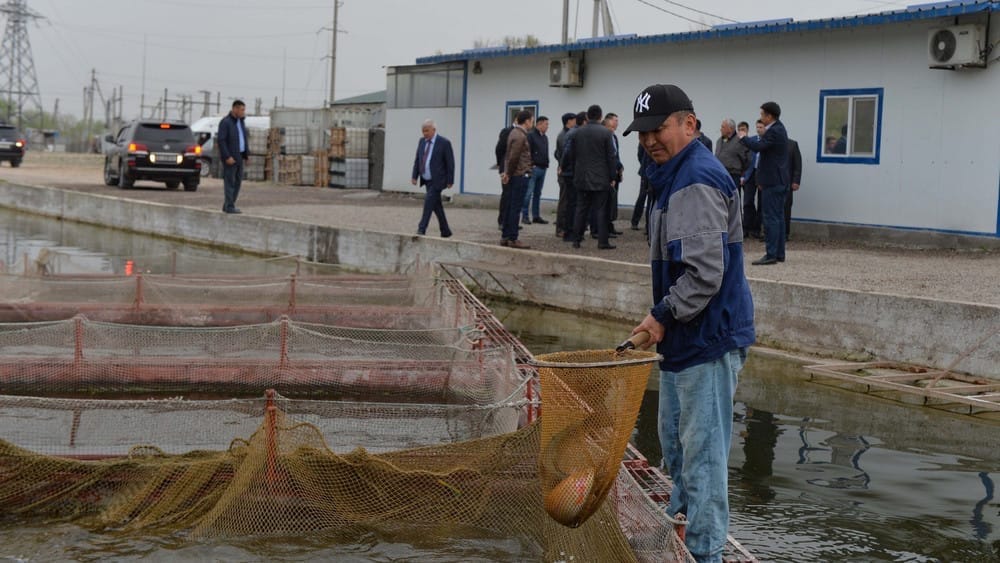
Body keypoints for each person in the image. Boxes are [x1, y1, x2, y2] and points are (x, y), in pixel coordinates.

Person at [623, 83, 755, 563]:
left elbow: (703, 274)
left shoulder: (695, 177)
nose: (650, 141)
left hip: (709, 338)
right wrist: (664, 322)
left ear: (689, 125)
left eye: (658, 129)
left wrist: (659, 317)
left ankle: (705, 554)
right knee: (676, 444)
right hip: (684, 338)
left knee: (702, 458)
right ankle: (679, 528)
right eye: (642, 134)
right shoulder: (667, 176)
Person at [740, 101, 789, 265]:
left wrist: (743, 138)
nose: (761, 118)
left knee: (771, 218)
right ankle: (779, 253)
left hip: (773, 180)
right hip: (779, 179)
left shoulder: (774, 131)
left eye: (762, 115)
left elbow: (758, 146)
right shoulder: (779, 128)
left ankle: (771, 254)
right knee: (778, 217)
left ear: (769, 116)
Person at [564, 104, 617, 250]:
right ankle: (602, 242)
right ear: (600, 116)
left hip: (581, 177)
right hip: (601, 177)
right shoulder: (606, 133)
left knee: (581, 209)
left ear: (587, 116)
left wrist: (575, 173)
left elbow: (572, 156)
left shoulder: (577, 133)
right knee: (601, 210)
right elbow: (610, 157)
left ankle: (576, 240)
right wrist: (612, 176)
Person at [410, 119, 454, 238]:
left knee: (429, 202)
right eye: (423, 131)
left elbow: (450, 162)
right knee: (436, 205)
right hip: (427, 179)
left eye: (427, 131)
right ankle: (445, 230)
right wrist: (415, 176)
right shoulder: (422, 142)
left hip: (438, 179)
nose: (425, 133)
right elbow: (418, 159)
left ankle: (421, 229)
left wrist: (450, 180)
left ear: (434, 130)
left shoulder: (444, 143)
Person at [500, 110, 534, 249]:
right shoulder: (520, 135)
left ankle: (506, 235)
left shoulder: (514, 133)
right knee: (515, 207)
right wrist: (509, 173)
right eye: (531, 120)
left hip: (514, 174)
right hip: (519, 174)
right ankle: (513, 237)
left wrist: (508, 172)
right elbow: (514, 157)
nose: (532, 123)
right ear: (526, 121)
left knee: (510, 205)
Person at [217, 100, 249, 214]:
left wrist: (246, 155)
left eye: (244, 110)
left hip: (239, 156)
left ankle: (228, 205)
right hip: (230, 158)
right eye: (242, 110)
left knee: (237, 182)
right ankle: (230, 206)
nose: (243, 112)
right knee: (230, 182)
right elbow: (221, 141)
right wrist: (227, 157)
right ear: (235, 109)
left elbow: (243, 139)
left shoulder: (241, 122)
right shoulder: (226, 122)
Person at [739, 120, 765, 240]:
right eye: (757, 127)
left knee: (761, 203)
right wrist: (743, 175)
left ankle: (756, 229)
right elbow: (746, 159)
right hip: (751, 173)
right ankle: (746, 227)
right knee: (747, 201)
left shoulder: (768, 141)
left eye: (761, 127)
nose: (759, 129)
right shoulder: (752, 140)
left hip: (762, 175)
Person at [522, 116, 550, 225]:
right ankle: (524, 215)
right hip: (534, 168)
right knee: (528, 193)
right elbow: (527, 152)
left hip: (543, 168)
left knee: (538, 193)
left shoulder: (545, 138)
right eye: (546, 124)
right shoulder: (531, 136)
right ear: (539, 124)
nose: (547, 126)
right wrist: (530, 165)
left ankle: (536, 215)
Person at [554, 112, 577, 238]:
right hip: (565, 173)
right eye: (574, 120)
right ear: (569, 121)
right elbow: (562, 154)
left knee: (568, 200)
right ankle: (560, 228)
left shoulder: (566, 134)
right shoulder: (564, 135)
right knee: (564, 201)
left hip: (565, 171)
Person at [714, 118, 750, 200]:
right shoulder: (719, 141)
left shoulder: (740, 140)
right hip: (721, 175)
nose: (720, 129)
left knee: (734, 199)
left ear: (730, 129)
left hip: (734, 175)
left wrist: (742, 173)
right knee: (722, 199)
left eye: (723, 127)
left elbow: (747, 159)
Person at [494, 121, 515, 229]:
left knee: (514, 196)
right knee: (506, 194)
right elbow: (499, 148)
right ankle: (502, 221)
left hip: (516, 169)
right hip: (506, 167)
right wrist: (500, 163)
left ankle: (511, 221)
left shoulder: (524, 132)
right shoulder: (507, 131)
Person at [785, 138, 802, 238]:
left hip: (787, 182)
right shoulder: (771, 144)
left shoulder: (792, 145)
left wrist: (796, 181)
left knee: (786, 207)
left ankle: (785, 233)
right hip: (773, 182)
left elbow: (797, 164)